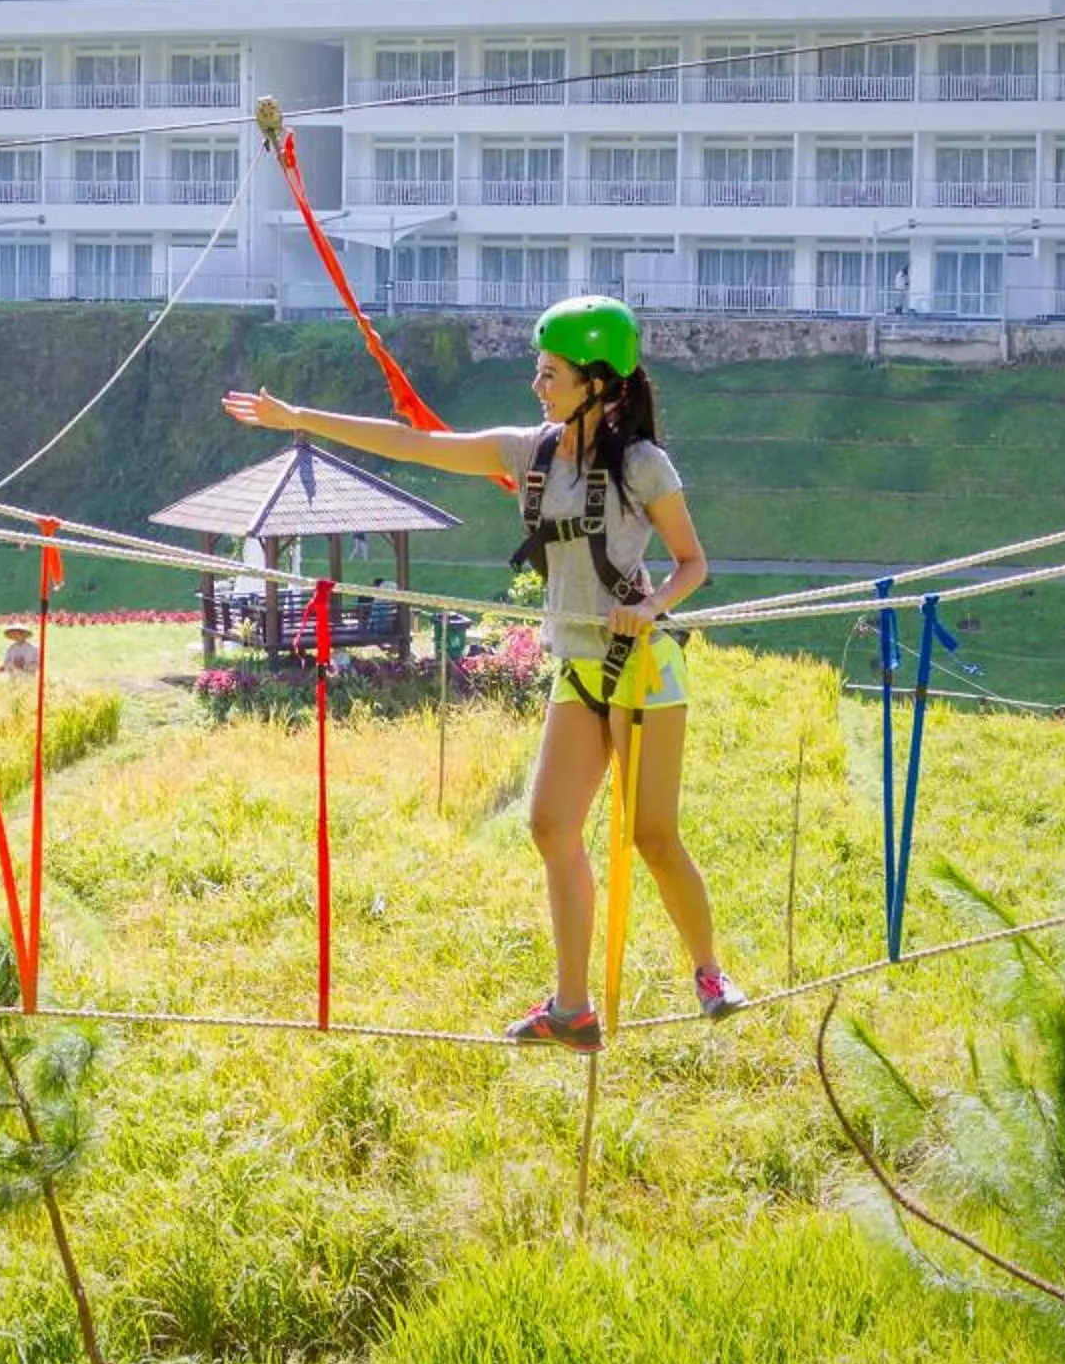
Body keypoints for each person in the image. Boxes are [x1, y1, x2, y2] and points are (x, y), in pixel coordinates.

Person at [224, 295, 747, 1051]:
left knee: (653, 836)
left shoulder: (641, 464)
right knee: (549, 825)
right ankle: (572, 1009)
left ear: (600, 382)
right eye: (539, 373)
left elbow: (693, 564)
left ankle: (708, 972)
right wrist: (299, 417)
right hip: (577, 666)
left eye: (552, 374)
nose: (539, 386)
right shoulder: (528, 452)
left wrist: (654, 603)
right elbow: (417, 444)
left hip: (643, 669)